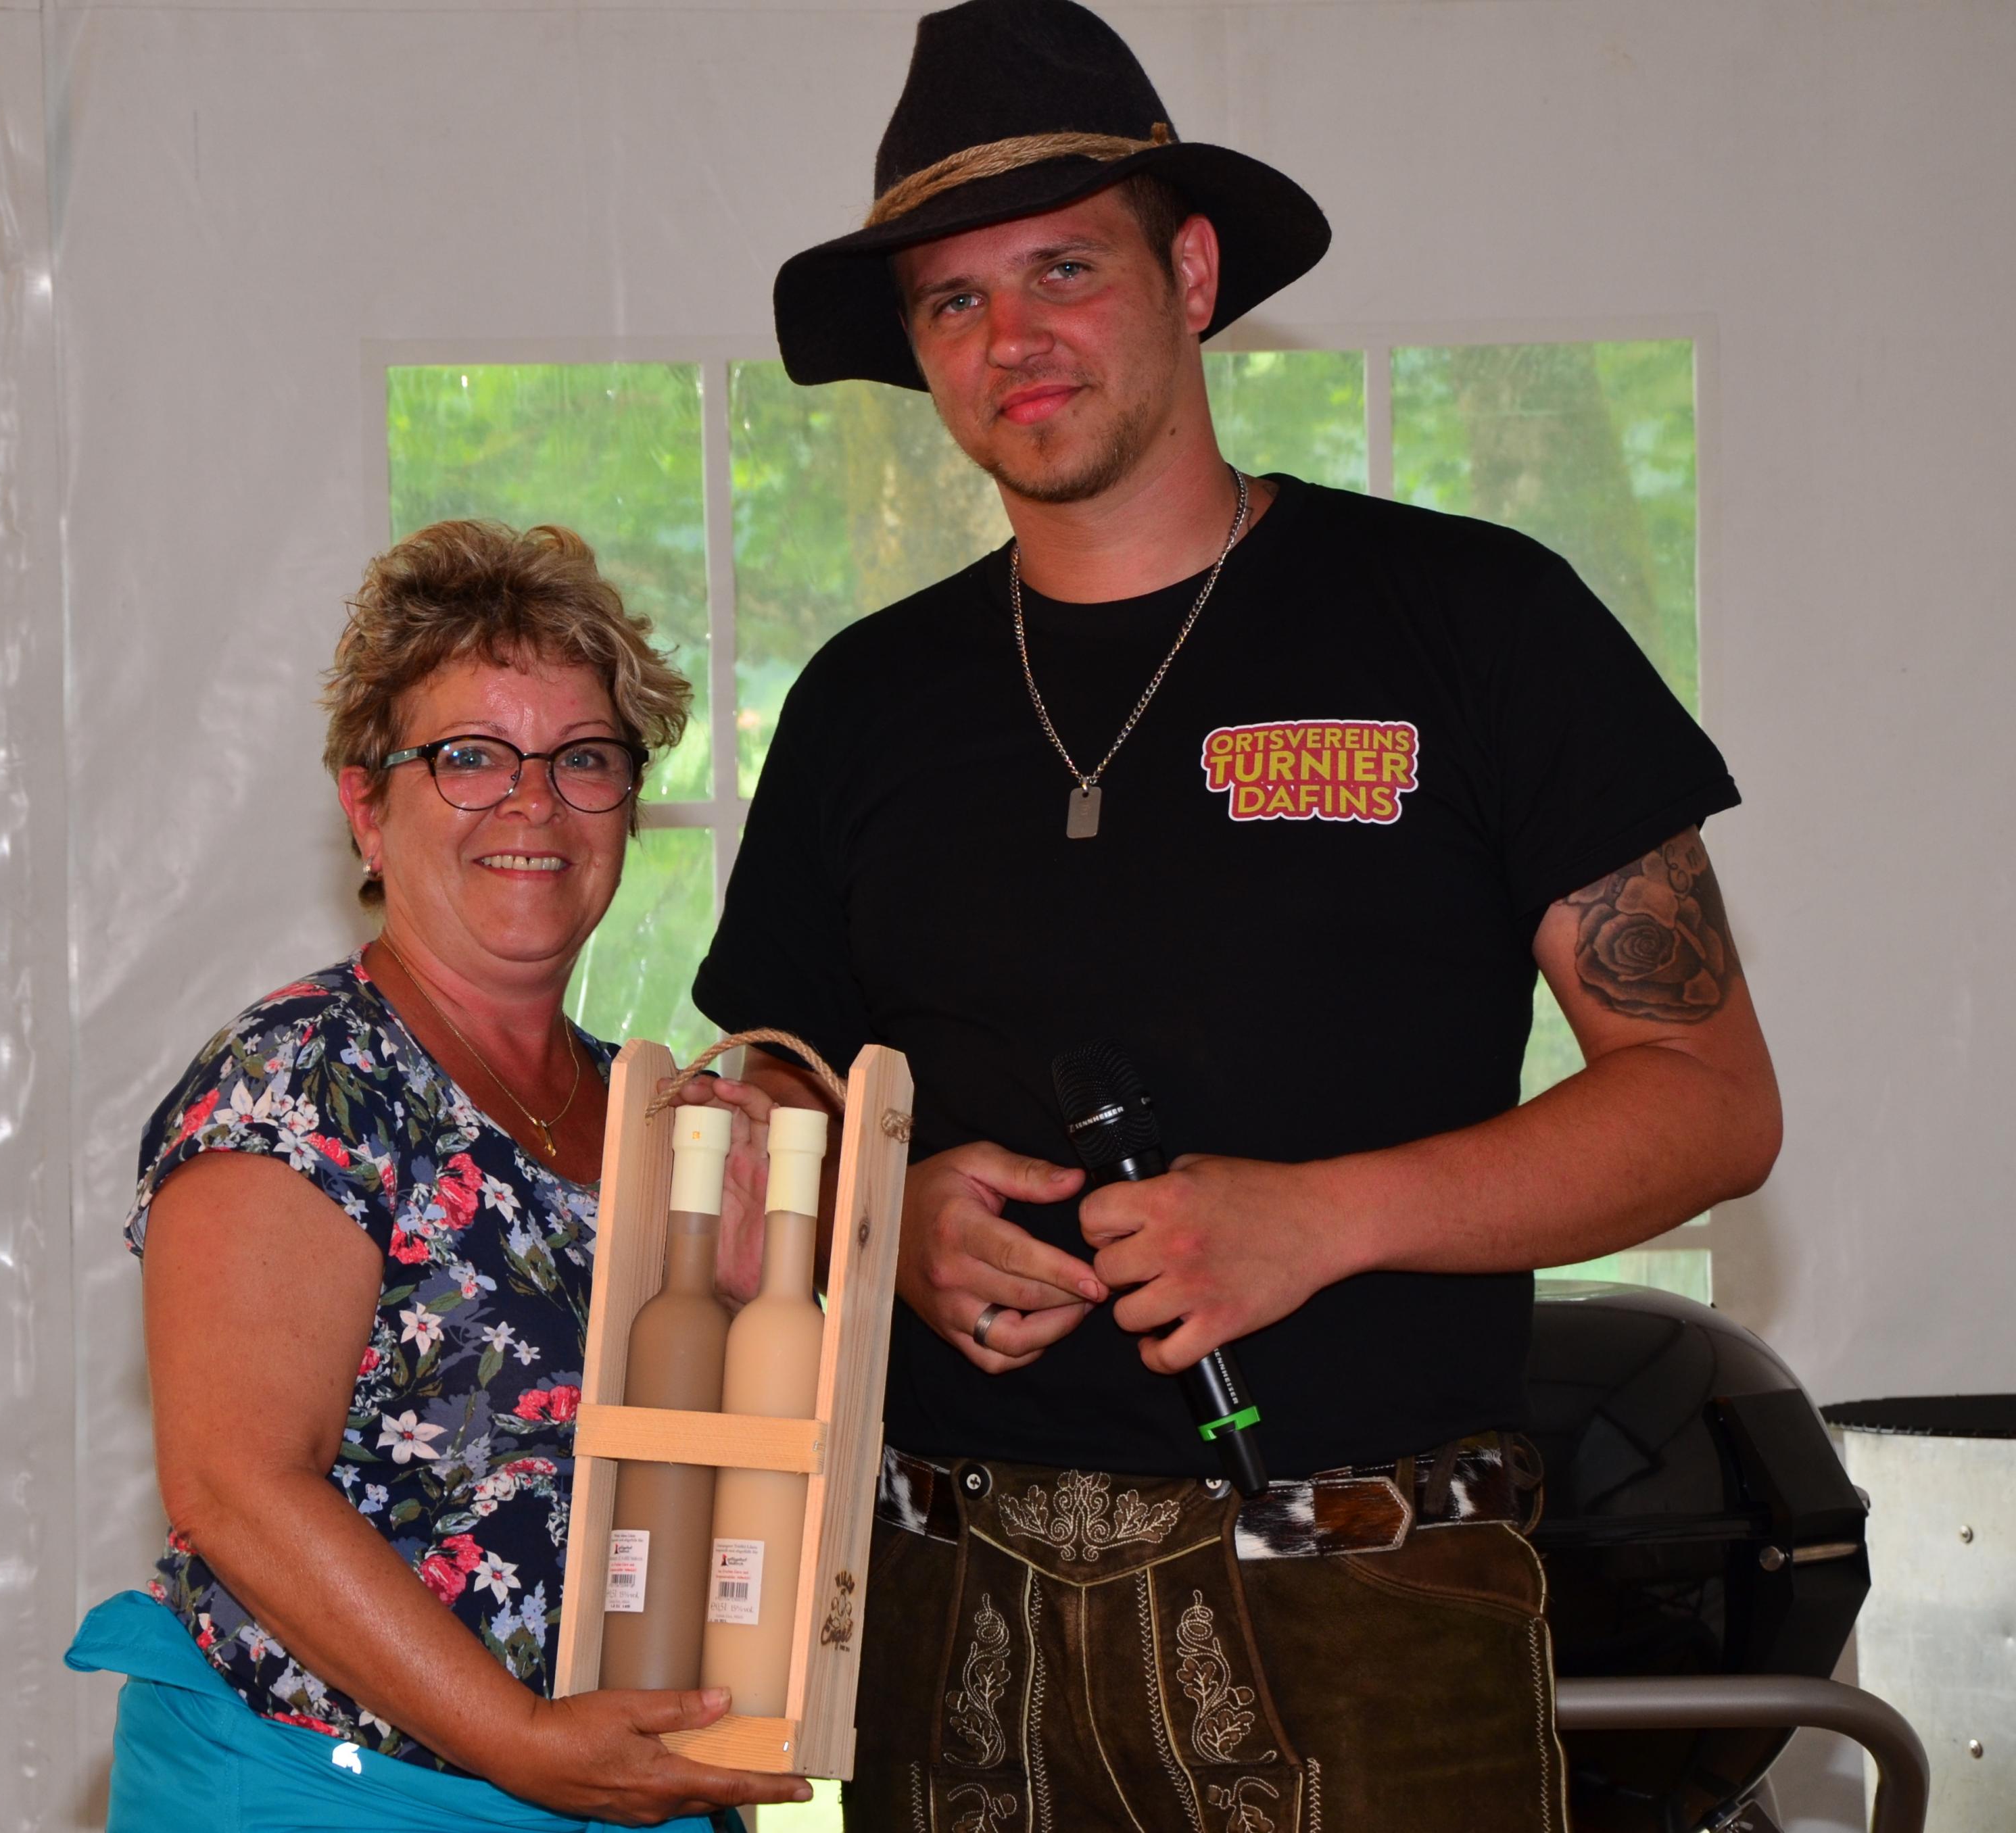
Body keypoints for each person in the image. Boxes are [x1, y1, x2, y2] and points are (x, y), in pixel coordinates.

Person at [687, 3, 1784, 1829]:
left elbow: (1708, 1105)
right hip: (945, 1620)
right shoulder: (863, 701)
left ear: (1191, 275)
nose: (1011, 337)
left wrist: (1317, 1222)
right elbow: (769, 1090)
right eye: (952, 300)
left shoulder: (1475, 622)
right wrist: (879, 1220)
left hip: (1363, 1607)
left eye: (1062, 267)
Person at [67, 520, 807, 1831]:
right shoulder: (301, 1076)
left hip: (606, 1787)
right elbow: (237, 1485)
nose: (533, 802)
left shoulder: (648, 1109)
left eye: (583, 758)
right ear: (367, 808)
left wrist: (750, 1300)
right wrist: (522, 1741)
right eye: (468, 756)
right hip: (327, 1795)